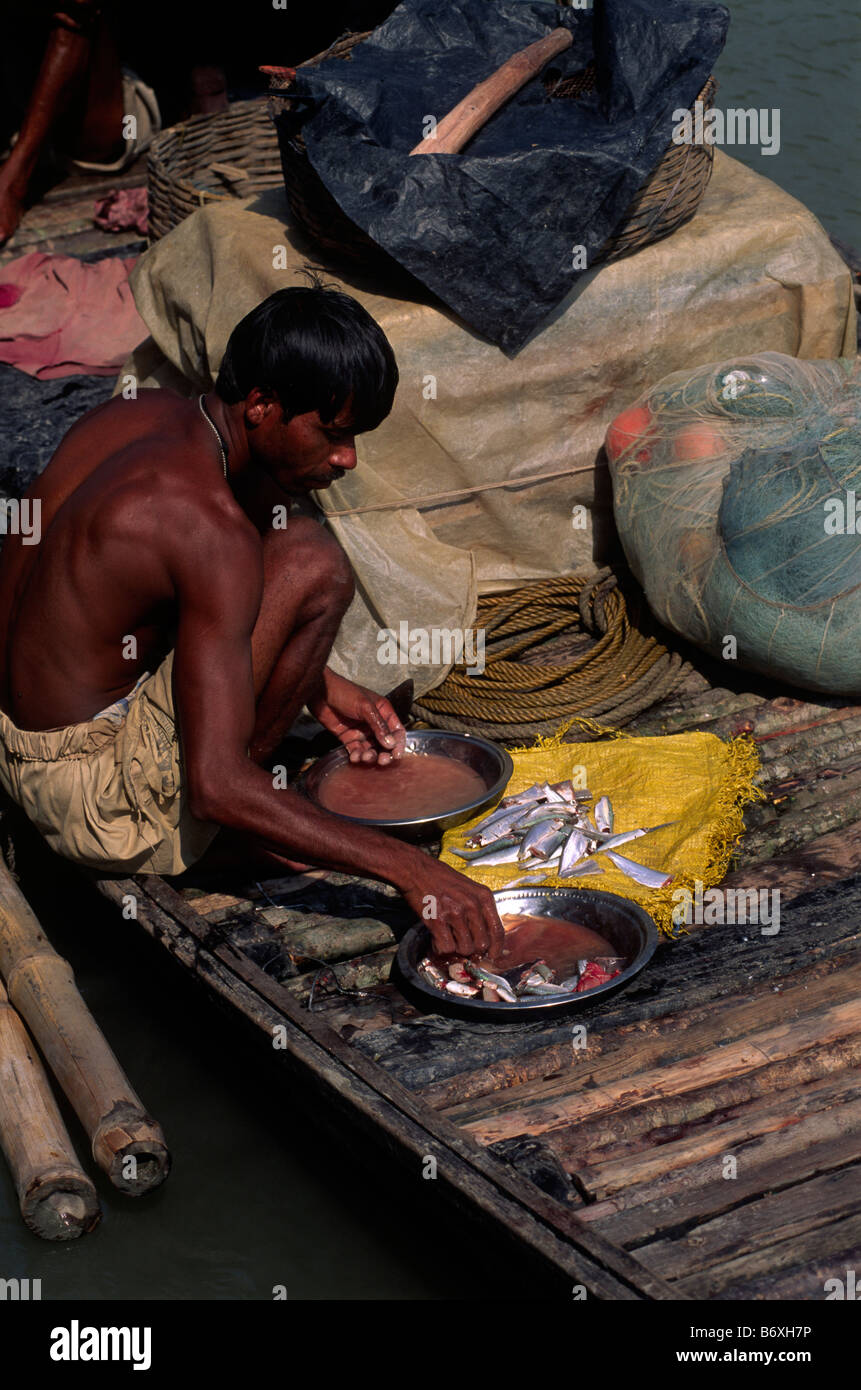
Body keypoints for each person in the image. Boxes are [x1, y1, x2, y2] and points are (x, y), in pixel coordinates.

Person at [0, 283, 502, 958]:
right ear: (261, 405)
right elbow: (214, 786)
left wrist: (318, 685)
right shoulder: (208, 530)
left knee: (283, 539)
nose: (347, 458)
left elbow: (134, 595)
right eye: (332, 431)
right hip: (94, 807)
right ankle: (218, 843)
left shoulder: (140, 413)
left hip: (16, 738)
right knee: (310, 562)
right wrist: (410, 869)